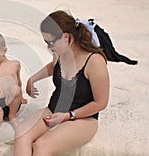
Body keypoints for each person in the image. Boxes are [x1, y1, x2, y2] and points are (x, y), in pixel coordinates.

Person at [14, 10, 110, 156]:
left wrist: (68, 116)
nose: (49, 47)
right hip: (54, 109)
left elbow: (100, 103)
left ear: (66, 37)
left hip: (83, 118)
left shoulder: (94, 61)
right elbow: (53, 67)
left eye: (50, 42)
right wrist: (32, 79)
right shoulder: (59, 52)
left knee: (41, 145)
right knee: (21, 134)